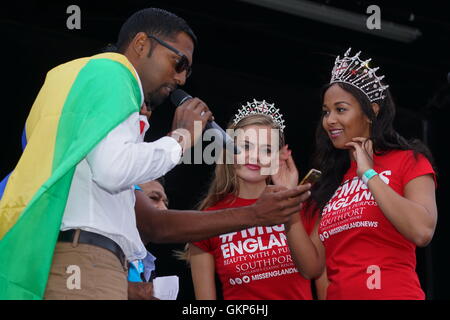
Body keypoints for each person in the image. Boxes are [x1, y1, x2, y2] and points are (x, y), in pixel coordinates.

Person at [0, 8, 310, 300]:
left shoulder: (77, 90)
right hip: (82, 259)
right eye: (179, 63)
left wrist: (256, 213)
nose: (181, 79)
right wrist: (181, 138)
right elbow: (113, 171)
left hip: (71, 258)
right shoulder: (113, 73)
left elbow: (152, 225)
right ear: (140, 44)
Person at [286, 48, 438, 300]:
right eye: (326, 111)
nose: (329, 120)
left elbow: (422, 231)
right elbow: (311, 266)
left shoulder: (408, 160)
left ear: (372, 111)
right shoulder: (332, 181)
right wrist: (289, 211)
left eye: (340, 109)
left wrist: (368, 174)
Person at [188, 100, 318, 300]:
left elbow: (313, 271)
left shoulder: (304, 206)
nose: (255, 156)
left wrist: (288, 198)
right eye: (246, 146)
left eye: (266, 150)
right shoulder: (207, 220)